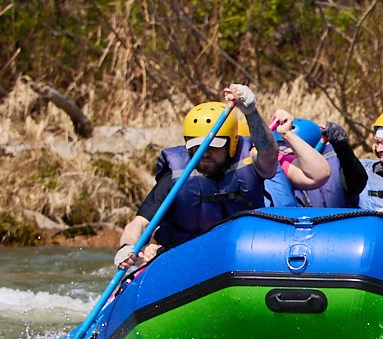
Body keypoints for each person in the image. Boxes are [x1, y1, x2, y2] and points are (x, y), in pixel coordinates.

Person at [115, 85, 277, 268]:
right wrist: (127, 247)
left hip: (243, 255)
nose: (205, 153)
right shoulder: (175, 176)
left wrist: (251, 112)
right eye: (197, 147)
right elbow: (139, 223)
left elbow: (269, 153)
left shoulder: (251, 163)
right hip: (185, 257)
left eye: (214, 146)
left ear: (232, 144)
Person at [259, 114, 334, 208]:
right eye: (280, 146)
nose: (283, 152)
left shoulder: (280, 160)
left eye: (287, 148)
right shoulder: (276, 159)